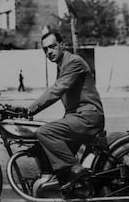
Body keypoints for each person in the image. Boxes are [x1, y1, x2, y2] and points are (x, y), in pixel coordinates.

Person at [26, 28, 104, 195]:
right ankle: (72, 188)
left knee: (45, 132)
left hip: (88, 117)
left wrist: (30, 110)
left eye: (52, 46)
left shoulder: (73, 62)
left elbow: (56, 91)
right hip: (78, 117)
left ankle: (75, 169)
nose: (49, 52)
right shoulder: (62, 66)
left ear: (63, 45)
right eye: (45, 49)